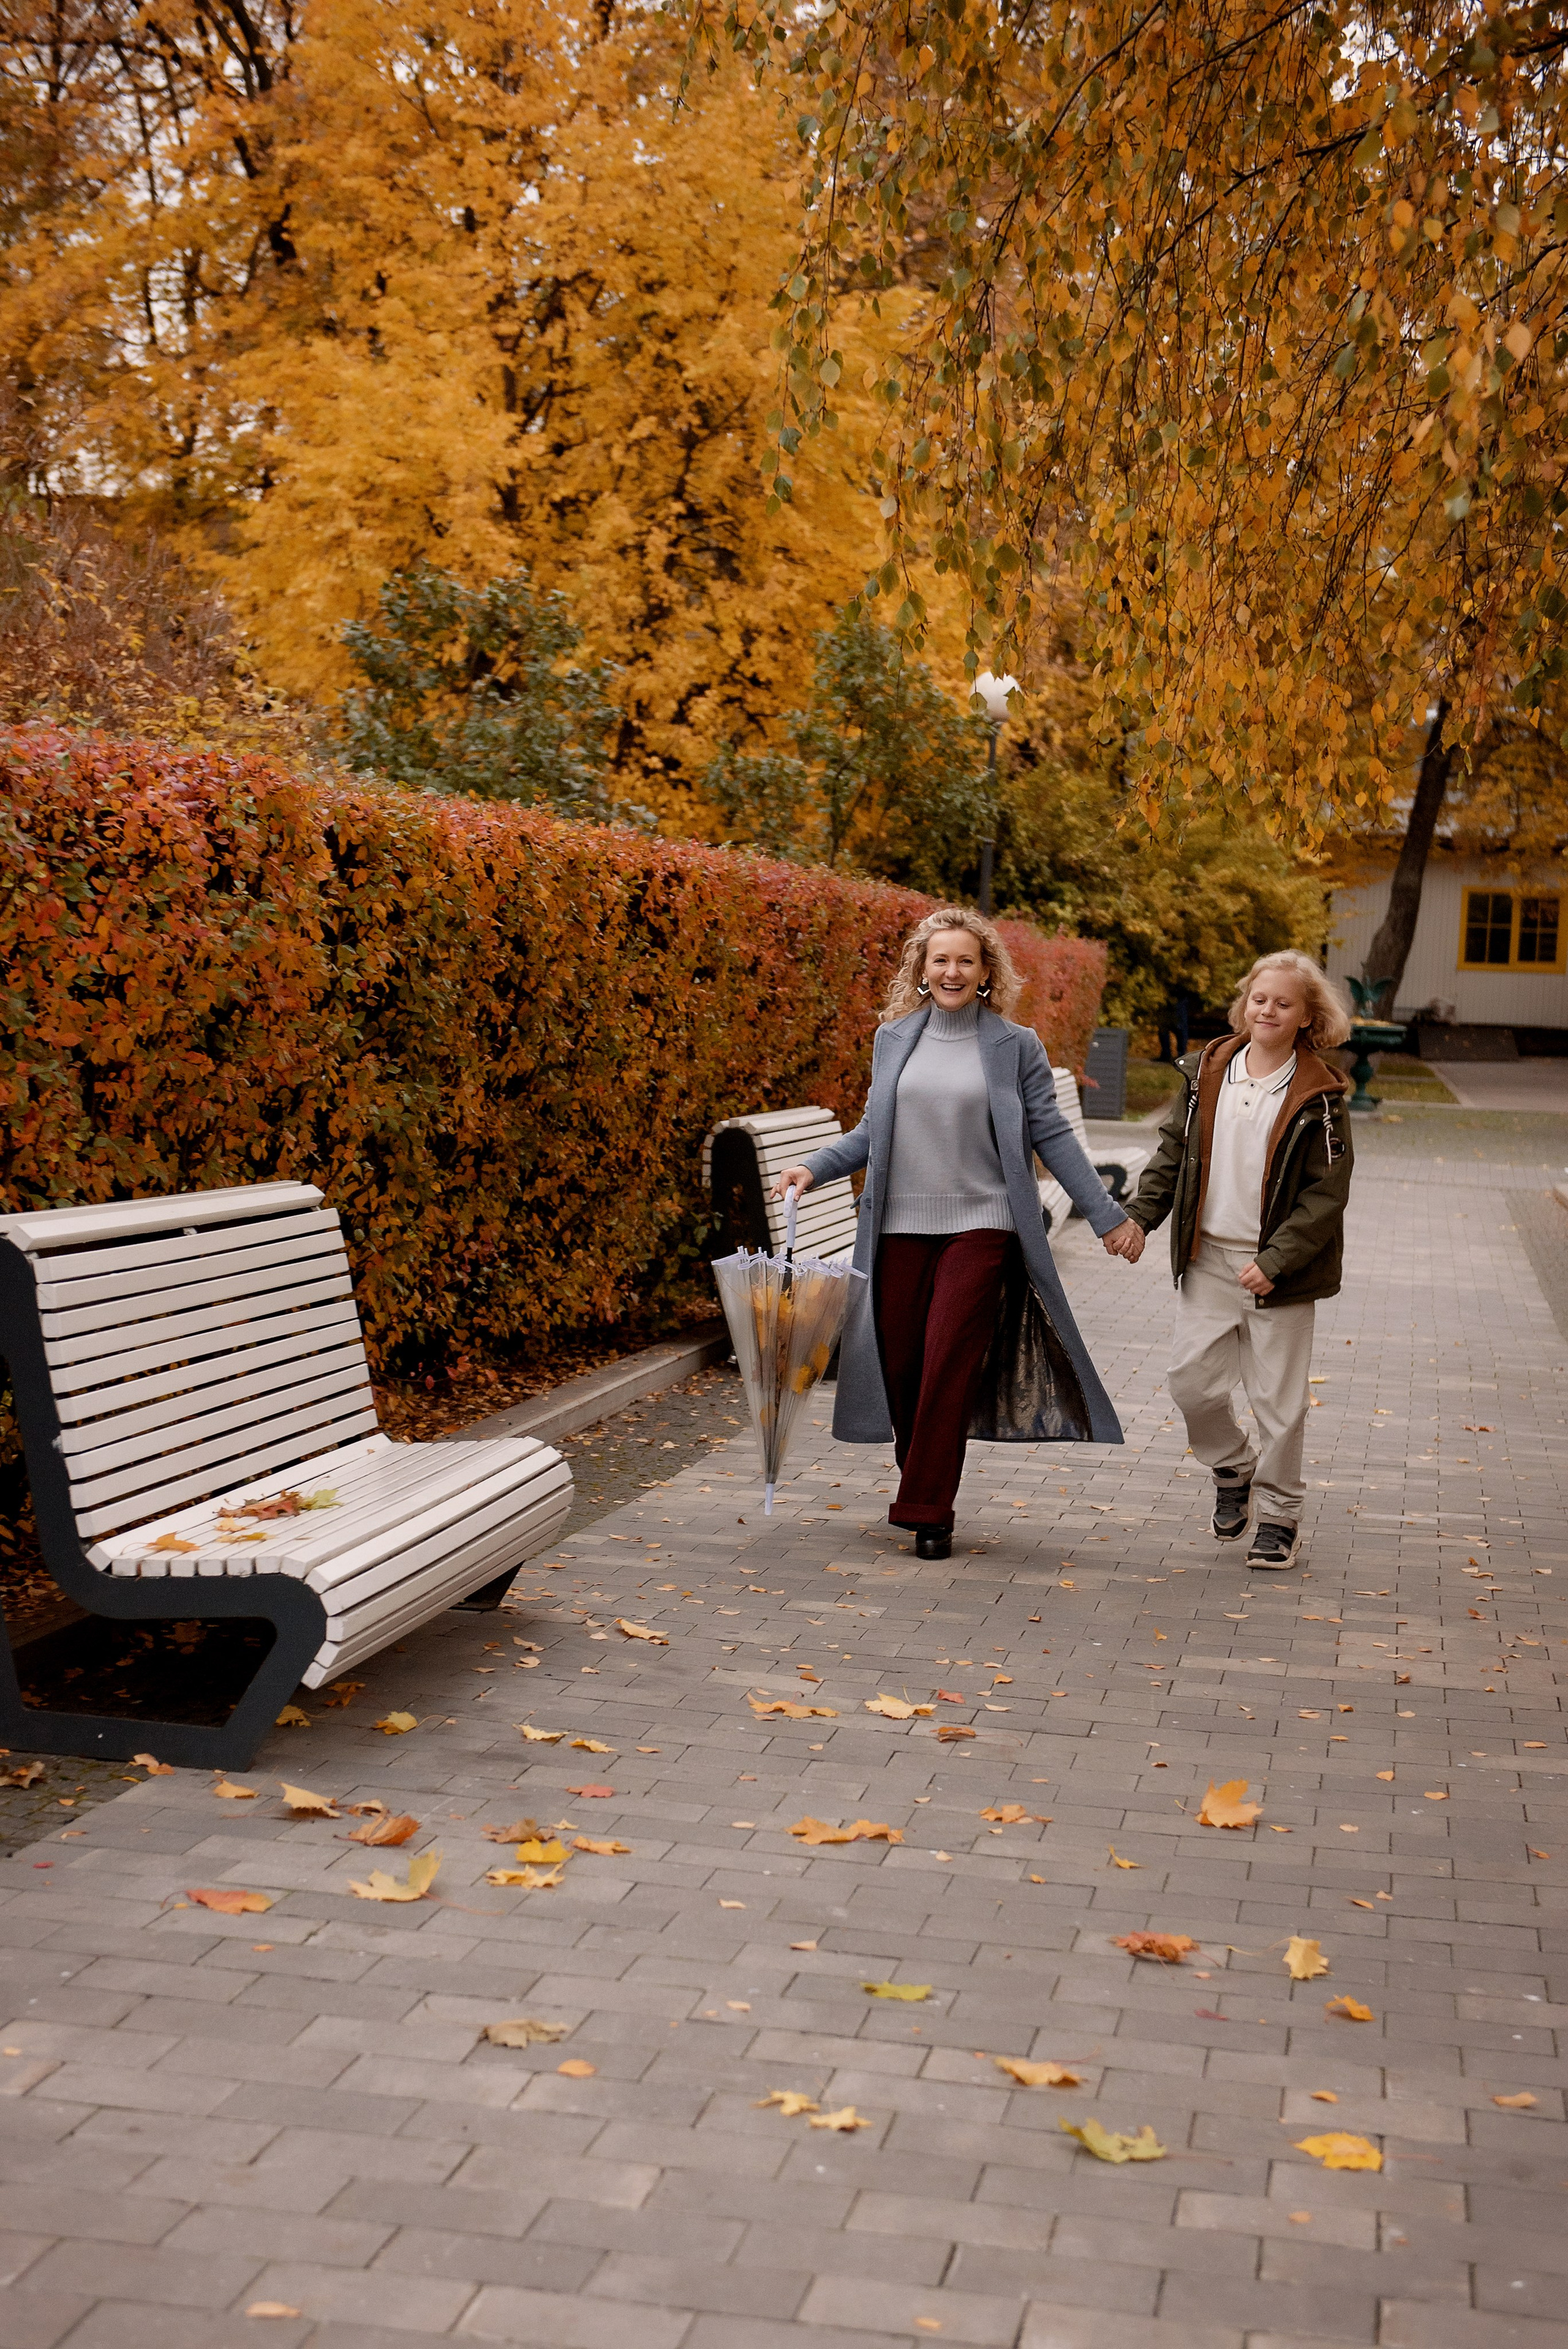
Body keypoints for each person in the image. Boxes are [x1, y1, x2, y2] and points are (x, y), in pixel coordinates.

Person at [772, 907, 1142, 1560]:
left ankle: (927, 1508)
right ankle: (924, 1478)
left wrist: (1109, 1217)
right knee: (903, 1367)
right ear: (921, 969)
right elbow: (868, 1132)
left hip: (983, 1226)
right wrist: (814, 1167)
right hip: (896, 1229)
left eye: (965, 960)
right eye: (939, 959)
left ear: (985, 971)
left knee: (947, 1360)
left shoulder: (1014, 1045)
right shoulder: (894, 1039)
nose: (951, 970)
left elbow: (1049, 1134)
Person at [1125, 950, 1353, 1570]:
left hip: (1279, 1272)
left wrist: (1276, 1259)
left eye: (1283, 1003)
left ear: (1307, 1016)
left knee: (1278, 1403)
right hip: (1207, 1258)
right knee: (1190, 1383)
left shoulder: (1321, 1094)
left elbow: (1325, 1194)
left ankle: (1279, 1517)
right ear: (1243, 1003)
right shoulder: (1209, 1071)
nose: (1268, 1010)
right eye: (1260, 999)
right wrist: (1139, 1218)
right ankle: (1232, 1464)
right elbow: (1173, 1152)